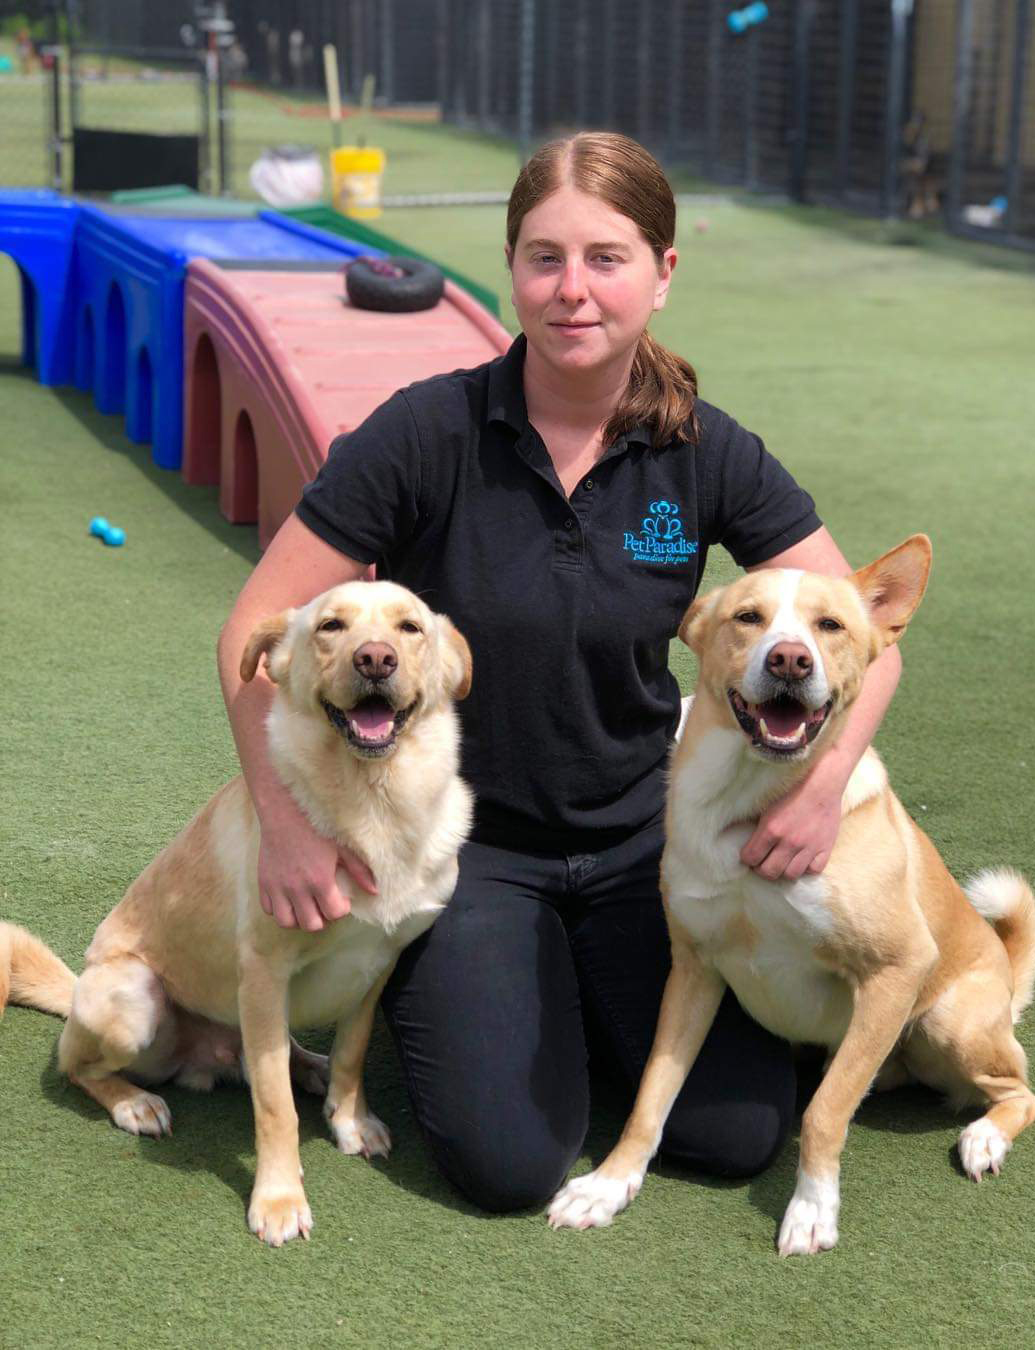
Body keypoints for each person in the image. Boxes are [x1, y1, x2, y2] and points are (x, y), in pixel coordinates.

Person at [218, 132, 901, 1213]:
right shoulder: (428, 431)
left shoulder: (706, 452)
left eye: (607, 258)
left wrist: (819, 794)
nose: (572, 291)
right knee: (509, 1167)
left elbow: (872, 635)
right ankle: (469, 991)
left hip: (644, 842)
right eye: (544, 258)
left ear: (664, 273)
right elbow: (254, 625)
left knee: (732, 1137)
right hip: (467, 849)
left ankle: (577, 998)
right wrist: (287, 822)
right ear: (511, 268)